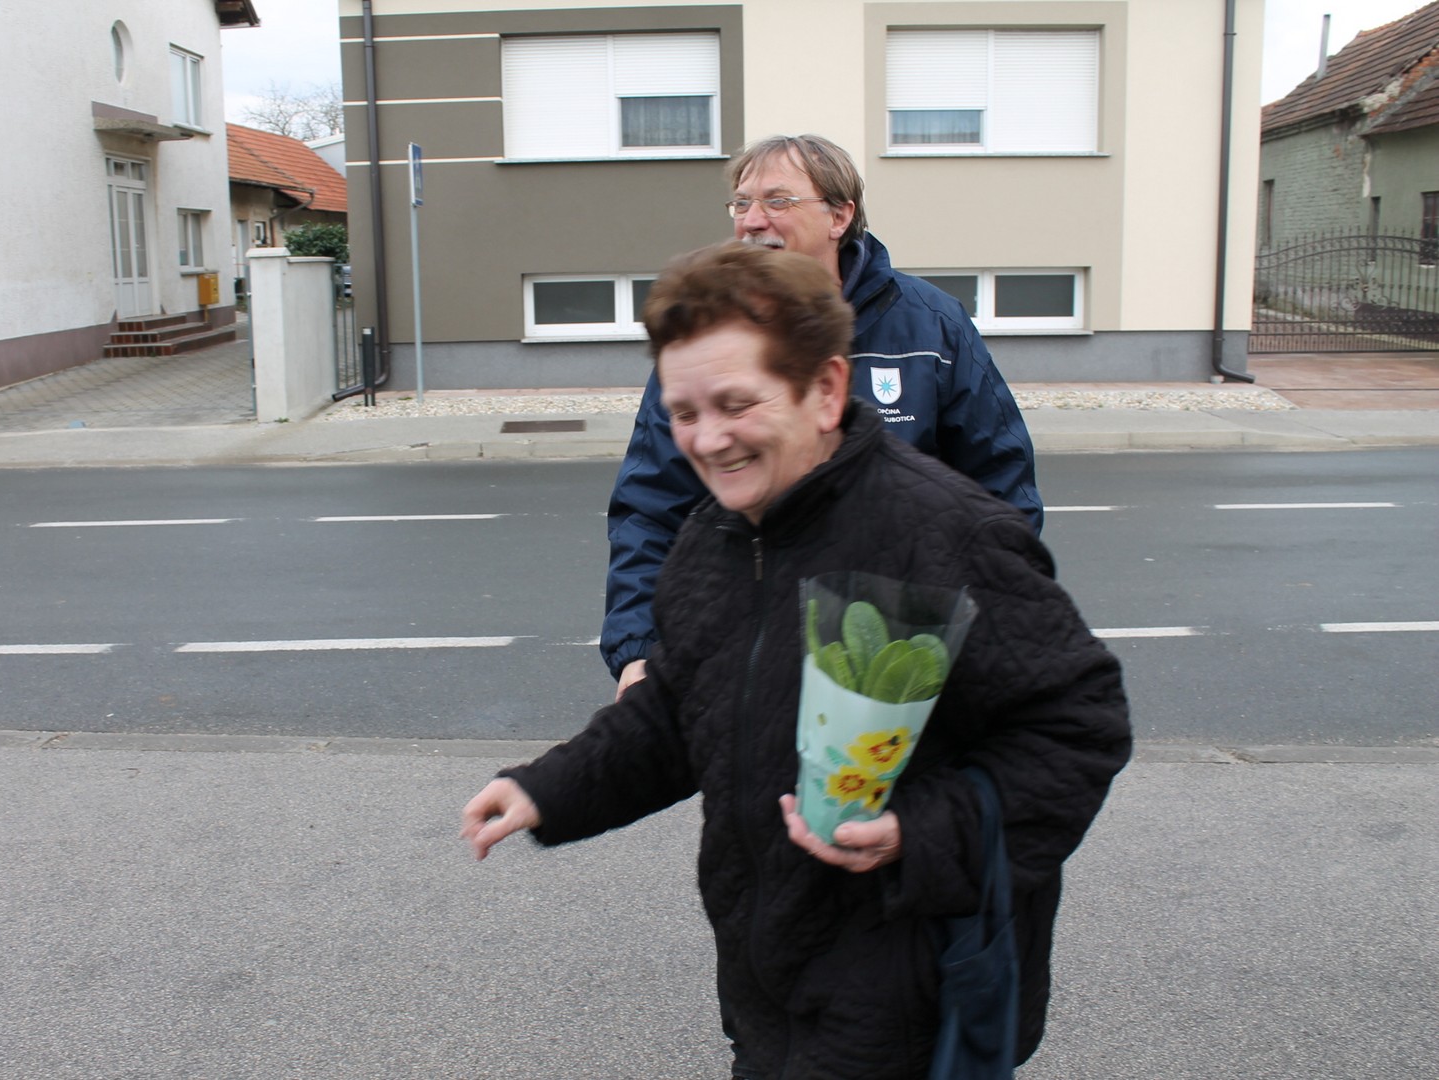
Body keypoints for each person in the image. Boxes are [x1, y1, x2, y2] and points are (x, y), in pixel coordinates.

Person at [462, 242, 1130, 1080]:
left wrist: (917, 833)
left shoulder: (946, 534)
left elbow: (1080, 727)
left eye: (736, 404)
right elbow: (679, 707)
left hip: (912, 987)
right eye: (684, 411)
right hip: (769, 974)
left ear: (825, 391)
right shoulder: (713, 536)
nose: (707, 440)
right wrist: (547, 786)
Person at [604, 134, 1042, 700]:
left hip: (896, 657)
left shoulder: (931, 326)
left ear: (840, 215)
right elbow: (650, 507)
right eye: (742, 203)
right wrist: (639, 651)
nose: (753, 221)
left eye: (778, 202)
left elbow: (1001, 490)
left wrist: (984, 629)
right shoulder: (705, 334)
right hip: (748, 656)